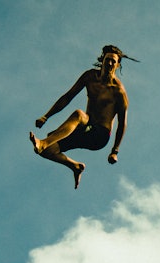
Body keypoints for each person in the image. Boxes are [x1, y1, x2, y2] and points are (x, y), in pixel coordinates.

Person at [30, 44, 134, 189]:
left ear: (117, 65)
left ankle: (44, 143)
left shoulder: (119, 92)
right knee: (48, 149)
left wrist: (114, 151)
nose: (110, 63)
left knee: (78, 115)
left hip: (100, 135)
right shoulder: (89, 77)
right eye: (108, 60)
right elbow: (68, 96)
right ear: (102, 60)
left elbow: (122, 123)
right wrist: (46, 116)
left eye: (113, 61)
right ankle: (75, 166)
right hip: (85, 127)